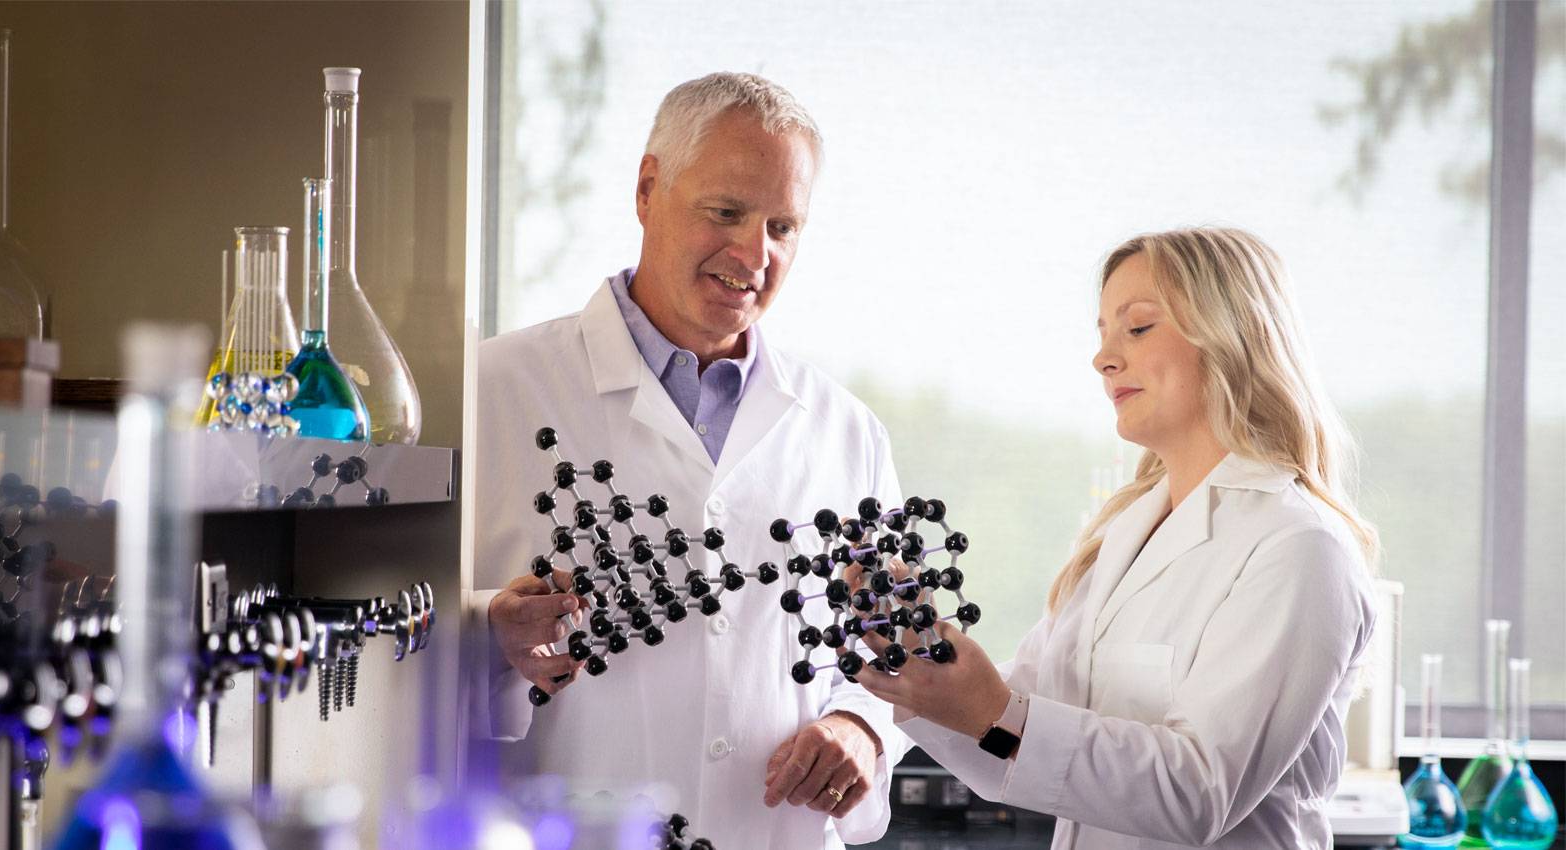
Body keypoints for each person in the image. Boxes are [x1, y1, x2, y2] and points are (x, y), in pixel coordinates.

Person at [471, 72, 907, 849]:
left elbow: (893, 663)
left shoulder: (848, 432)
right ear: (648, 189)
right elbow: (387, 646)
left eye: (784, 225)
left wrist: (861, 729)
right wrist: (485, 632)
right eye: (727, 213)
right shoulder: (489, 392)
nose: (755, 253)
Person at [852, 227, 1379, 849]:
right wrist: (921, 672)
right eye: (1102, 334)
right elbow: (1013, 745)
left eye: (1137, 328)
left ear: (1231, 335)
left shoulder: (1298, 548)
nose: (1103, 359)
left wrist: (994, 712)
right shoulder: (1122, 537)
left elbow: (1200, 794)